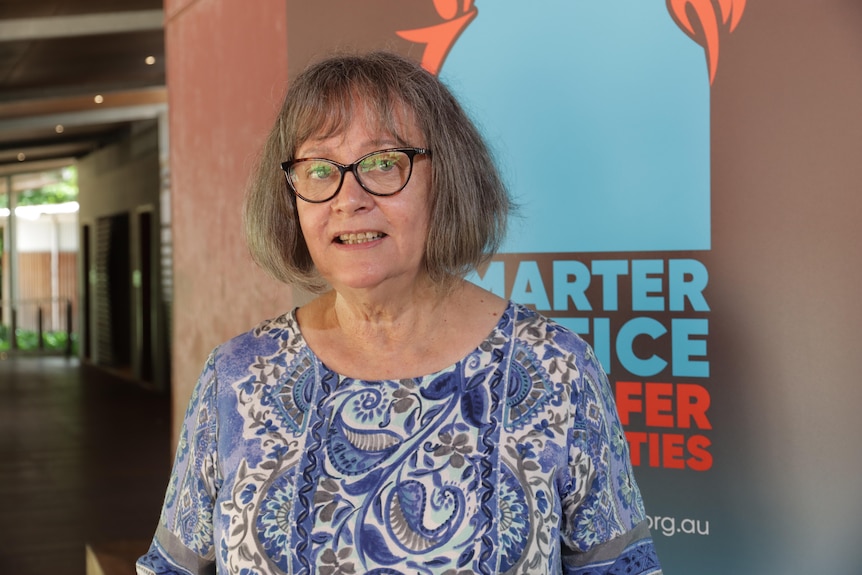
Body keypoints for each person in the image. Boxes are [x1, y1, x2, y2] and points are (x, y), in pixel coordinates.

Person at [137, 51, 662, 575]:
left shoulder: (556, 368)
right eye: (320, 169)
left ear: (447, 178)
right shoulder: (237, 376)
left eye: (384, 163)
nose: (349, 198)